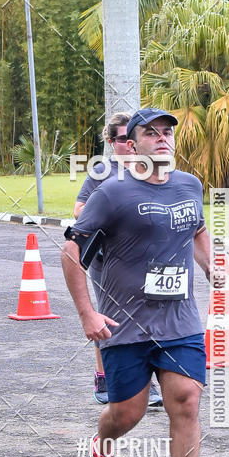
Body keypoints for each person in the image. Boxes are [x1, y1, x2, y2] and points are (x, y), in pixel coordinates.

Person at [62, 108, 224, 457]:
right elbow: (71, 253)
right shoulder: (112, 193)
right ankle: (101, 450)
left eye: (168, 131)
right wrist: (87, 315)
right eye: (151, 133)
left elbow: (196, 228)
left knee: (187, 399)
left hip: (180, 320)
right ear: (131, 145)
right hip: (125, 324)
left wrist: (210, 266)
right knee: (125, 414)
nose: (163, 138)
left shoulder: (190, 185)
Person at [73, 113, 163, 410]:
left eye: (132, 137)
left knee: (148, 317)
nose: (128, 143)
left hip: (147, 256)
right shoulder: (103, 169)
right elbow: (79, 210)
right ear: (112, 142)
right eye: (122, 139)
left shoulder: (149, 169)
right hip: (108, 257)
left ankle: (146, 384)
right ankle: (104, 378)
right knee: (111, 318)